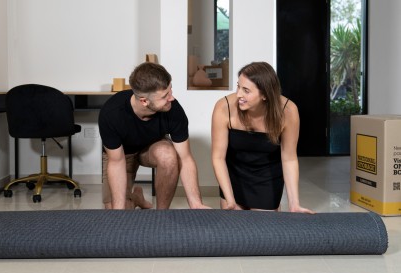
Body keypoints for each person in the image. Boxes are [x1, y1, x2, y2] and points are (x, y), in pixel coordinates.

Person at [99, 62, 210, 210]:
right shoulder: (111, 114)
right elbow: (116, 161)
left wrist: (196, 204)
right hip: (122, 155)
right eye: (165, 96)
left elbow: (185, 158)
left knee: (168, 155)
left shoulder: (174, 109)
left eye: (170, 90)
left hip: (150, 148)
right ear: (144, 101)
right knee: (116, 209)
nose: (171, 98)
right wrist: (119, 212)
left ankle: (161, 214)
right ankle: (136, 198)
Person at [211, 61, 314, 213]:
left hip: (267, 178)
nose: (238, 94)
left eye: (246, 90)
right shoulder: (224, 107)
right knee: (234, 229)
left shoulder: (288, 111)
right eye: (238, 86)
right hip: (234, 176)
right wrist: (230, 199)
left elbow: (289, 158)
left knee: (263, 231)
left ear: (265, 94)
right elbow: (218, 157)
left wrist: (294, 204)